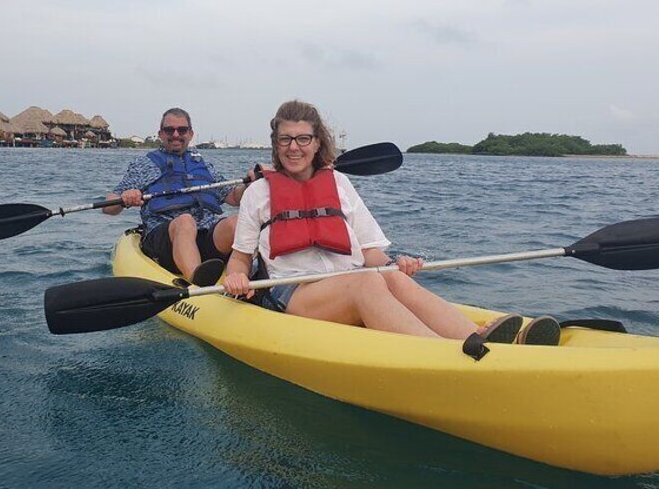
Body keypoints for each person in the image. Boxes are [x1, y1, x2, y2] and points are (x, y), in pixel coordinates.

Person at [222, 100, 560, 346]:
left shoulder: (339, 184)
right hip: (295, 292)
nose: (293, 147)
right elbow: (240, 257)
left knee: (390, 278)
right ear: (276, 143)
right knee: (369, 282)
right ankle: (450, 354)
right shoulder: (259, 193)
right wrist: (236, 274)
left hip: (350, 277)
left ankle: (476, 339)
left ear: (317, 143)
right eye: (285, 139)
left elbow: (370, 251)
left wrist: (395, 263)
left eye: (302, 139)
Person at [104, 107, 252, 286]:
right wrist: (125, 198)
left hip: (203, 236)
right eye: (169, 130)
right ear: (160, 134)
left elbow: (234, 198)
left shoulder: (202, 165)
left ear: (190, 134)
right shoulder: (145, 165)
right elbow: (109, 207)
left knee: (235, 223)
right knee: (185, 221)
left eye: (182, 130)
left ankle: (243, 282)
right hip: (165, 239)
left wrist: (250, 185)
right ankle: (198, 282)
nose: (176, 134)